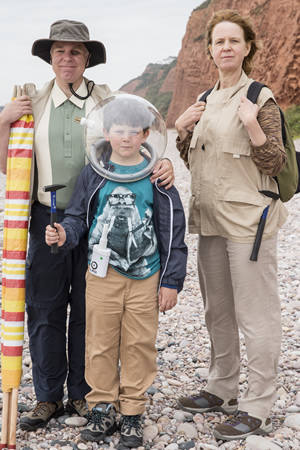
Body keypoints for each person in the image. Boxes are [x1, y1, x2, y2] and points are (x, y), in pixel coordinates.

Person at [0, 20, 174, 431]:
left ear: (88, 59)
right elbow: (8, 165)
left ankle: (82, 393)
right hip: (48, 218)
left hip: (102, 221)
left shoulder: (108, 101)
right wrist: (3, 120)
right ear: (50, 57)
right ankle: (46, 397)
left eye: (76, 52)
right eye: (59, 51)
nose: (67, 58)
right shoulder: (30, 101)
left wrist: (162, 161)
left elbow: (137, 139)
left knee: (90, 312)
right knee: (44, 308)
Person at [45, 95, 187, 446]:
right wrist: (64, 233)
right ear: (106, 133)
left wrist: (171, 280)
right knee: (99, 342)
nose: (126, 137)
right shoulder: (94, 173)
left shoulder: (157, 176)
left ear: (145, 134)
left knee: (139, 343)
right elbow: (78, 217)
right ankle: (102, 406)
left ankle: (133, 411)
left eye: (133, 131)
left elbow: (172, 230)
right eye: (118, 130)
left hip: (145, 275)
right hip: (102, 276)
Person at [174, 9, 288, 442]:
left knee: (256, 317)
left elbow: (274, 162)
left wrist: (252, 127)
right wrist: (183, 131)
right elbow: (196, 161)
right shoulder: (204, 98)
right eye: (218, 41)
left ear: (247, 48)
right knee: (217, 312)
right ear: (209, 50)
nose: (225, 47)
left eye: (233, 41)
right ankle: (221, 388)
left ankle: (257, 403)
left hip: (249, 224)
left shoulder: (259, 97)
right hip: (211, 222)